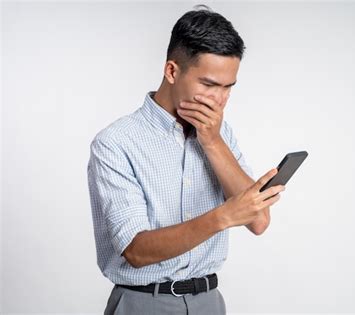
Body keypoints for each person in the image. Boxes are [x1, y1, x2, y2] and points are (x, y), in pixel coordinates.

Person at [87, 5, 285, 314]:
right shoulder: (116, 142)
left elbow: (258, 221)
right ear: (171, 71)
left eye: (228, 87)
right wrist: (222, 216)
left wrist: (213, 142)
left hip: (209, 301)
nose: (219, 99)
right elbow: (136, 251)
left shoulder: (220, 133)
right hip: (143, 302)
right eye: (208, 84)